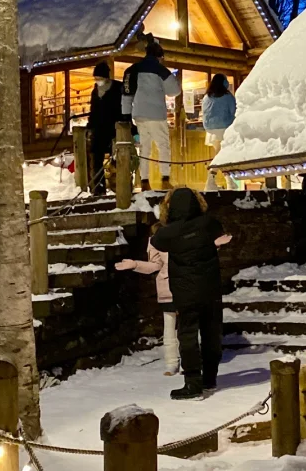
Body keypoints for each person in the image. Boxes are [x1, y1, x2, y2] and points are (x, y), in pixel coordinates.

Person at [149, 187, 231, 399]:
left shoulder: (169, 232)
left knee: (188, 337)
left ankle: (193, 383)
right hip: (211, 289)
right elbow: (218, 231)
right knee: (212, 334)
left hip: (185, 292)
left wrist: (171, 222)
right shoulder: (209, 224)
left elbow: (157, 241)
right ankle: (210, 379)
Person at [122, 38, 180, 191]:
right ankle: (165, 179)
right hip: (156, 114)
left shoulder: (132, 69)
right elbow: (175, 90)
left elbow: (126, 96)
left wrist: (126, 116)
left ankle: (145, 181)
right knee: (163, 146)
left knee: (145, 147)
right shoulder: (161, 70)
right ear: (160, 56)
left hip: (139, 114)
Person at [115, 239, 179, 376]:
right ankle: (172, 363)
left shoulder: (184, 231)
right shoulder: (157, 238)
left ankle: (189, 361)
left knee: (187, 327)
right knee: (169, 327)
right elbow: (155, 265)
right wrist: (135, 264)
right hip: (167, 288)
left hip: (186, 287)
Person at [86, 61, 122, 196]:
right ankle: (99, 190)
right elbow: (93, 111)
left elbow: (122, 108)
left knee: (117, 160)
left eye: (99, 78)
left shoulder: (117, 88)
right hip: (99, 130)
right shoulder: (95, 91)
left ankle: (119, 187)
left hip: (114, 129)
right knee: (96, 160)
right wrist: (90, 126)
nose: (98, 81)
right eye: (96, 78)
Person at [202, 74, 236, 192]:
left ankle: (229, 182)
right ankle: (211, 181)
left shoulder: (207, 97)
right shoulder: (227, 96)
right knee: (221, 156)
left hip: (211, 130)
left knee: (220, 155)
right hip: (225, 129)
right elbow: (234, 111)